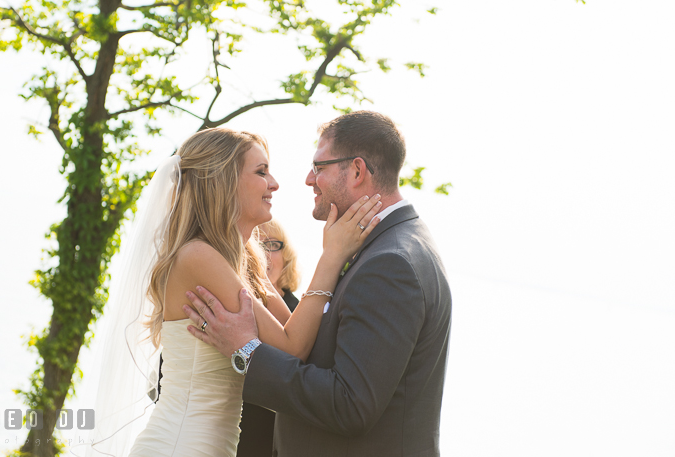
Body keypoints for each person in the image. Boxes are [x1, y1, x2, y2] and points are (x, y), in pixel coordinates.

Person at [83, 128, 381, 457]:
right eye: (261, 172)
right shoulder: (196, 256)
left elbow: (301, 336)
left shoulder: (244, 263)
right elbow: (292, 348)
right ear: (223, 181)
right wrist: (332, 256)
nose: (274, 184)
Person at [185, 111, 452, 457]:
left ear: (356, 171)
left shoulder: (391, 263)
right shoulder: (385, 247)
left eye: (319, 167)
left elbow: (349, 405)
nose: (309, 179)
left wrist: (247, 351)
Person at [236, 219, 301, 457]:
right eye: (257, 244)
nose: (263, 253)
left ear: (287, 256)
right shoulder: (233, 303)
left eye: (273, 245)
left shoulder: (301, 315)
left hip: (276, 439)